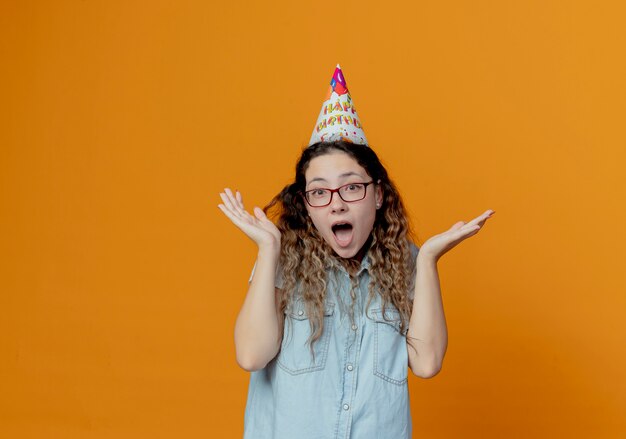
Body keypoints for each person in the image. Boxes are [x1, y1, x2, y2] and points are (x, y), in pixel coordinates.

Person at [217, 65, 494, 438]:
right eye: (320, 192)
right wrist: (268, 250)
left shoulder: (406, 262)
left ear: (378, 195)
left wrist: (427, 259)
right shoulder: (284, 258)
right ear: (307, 204)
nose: (336, 204)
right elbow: (251, 355)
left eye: (351, 188)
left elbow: (426, 363)